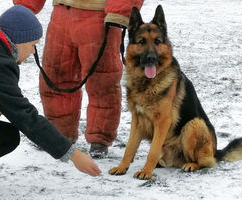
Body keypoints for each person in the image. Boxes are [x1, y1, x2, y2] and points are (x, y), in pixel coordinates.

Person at [12, 0, 144, 158]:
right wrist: (26, 5)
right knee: (55, 76)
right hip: (61, 15)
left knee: (102, 80)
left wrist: (119, 11)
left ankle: (100, 138)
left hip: (98, 17)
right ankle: (59, 132)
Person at [0, 5, 101, 176]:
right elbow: (27, 118)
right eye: (33, 45)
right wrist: (74, 155)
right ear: (21, 39)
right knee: (3, 137)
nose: (33, 51)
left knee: (3, 134)